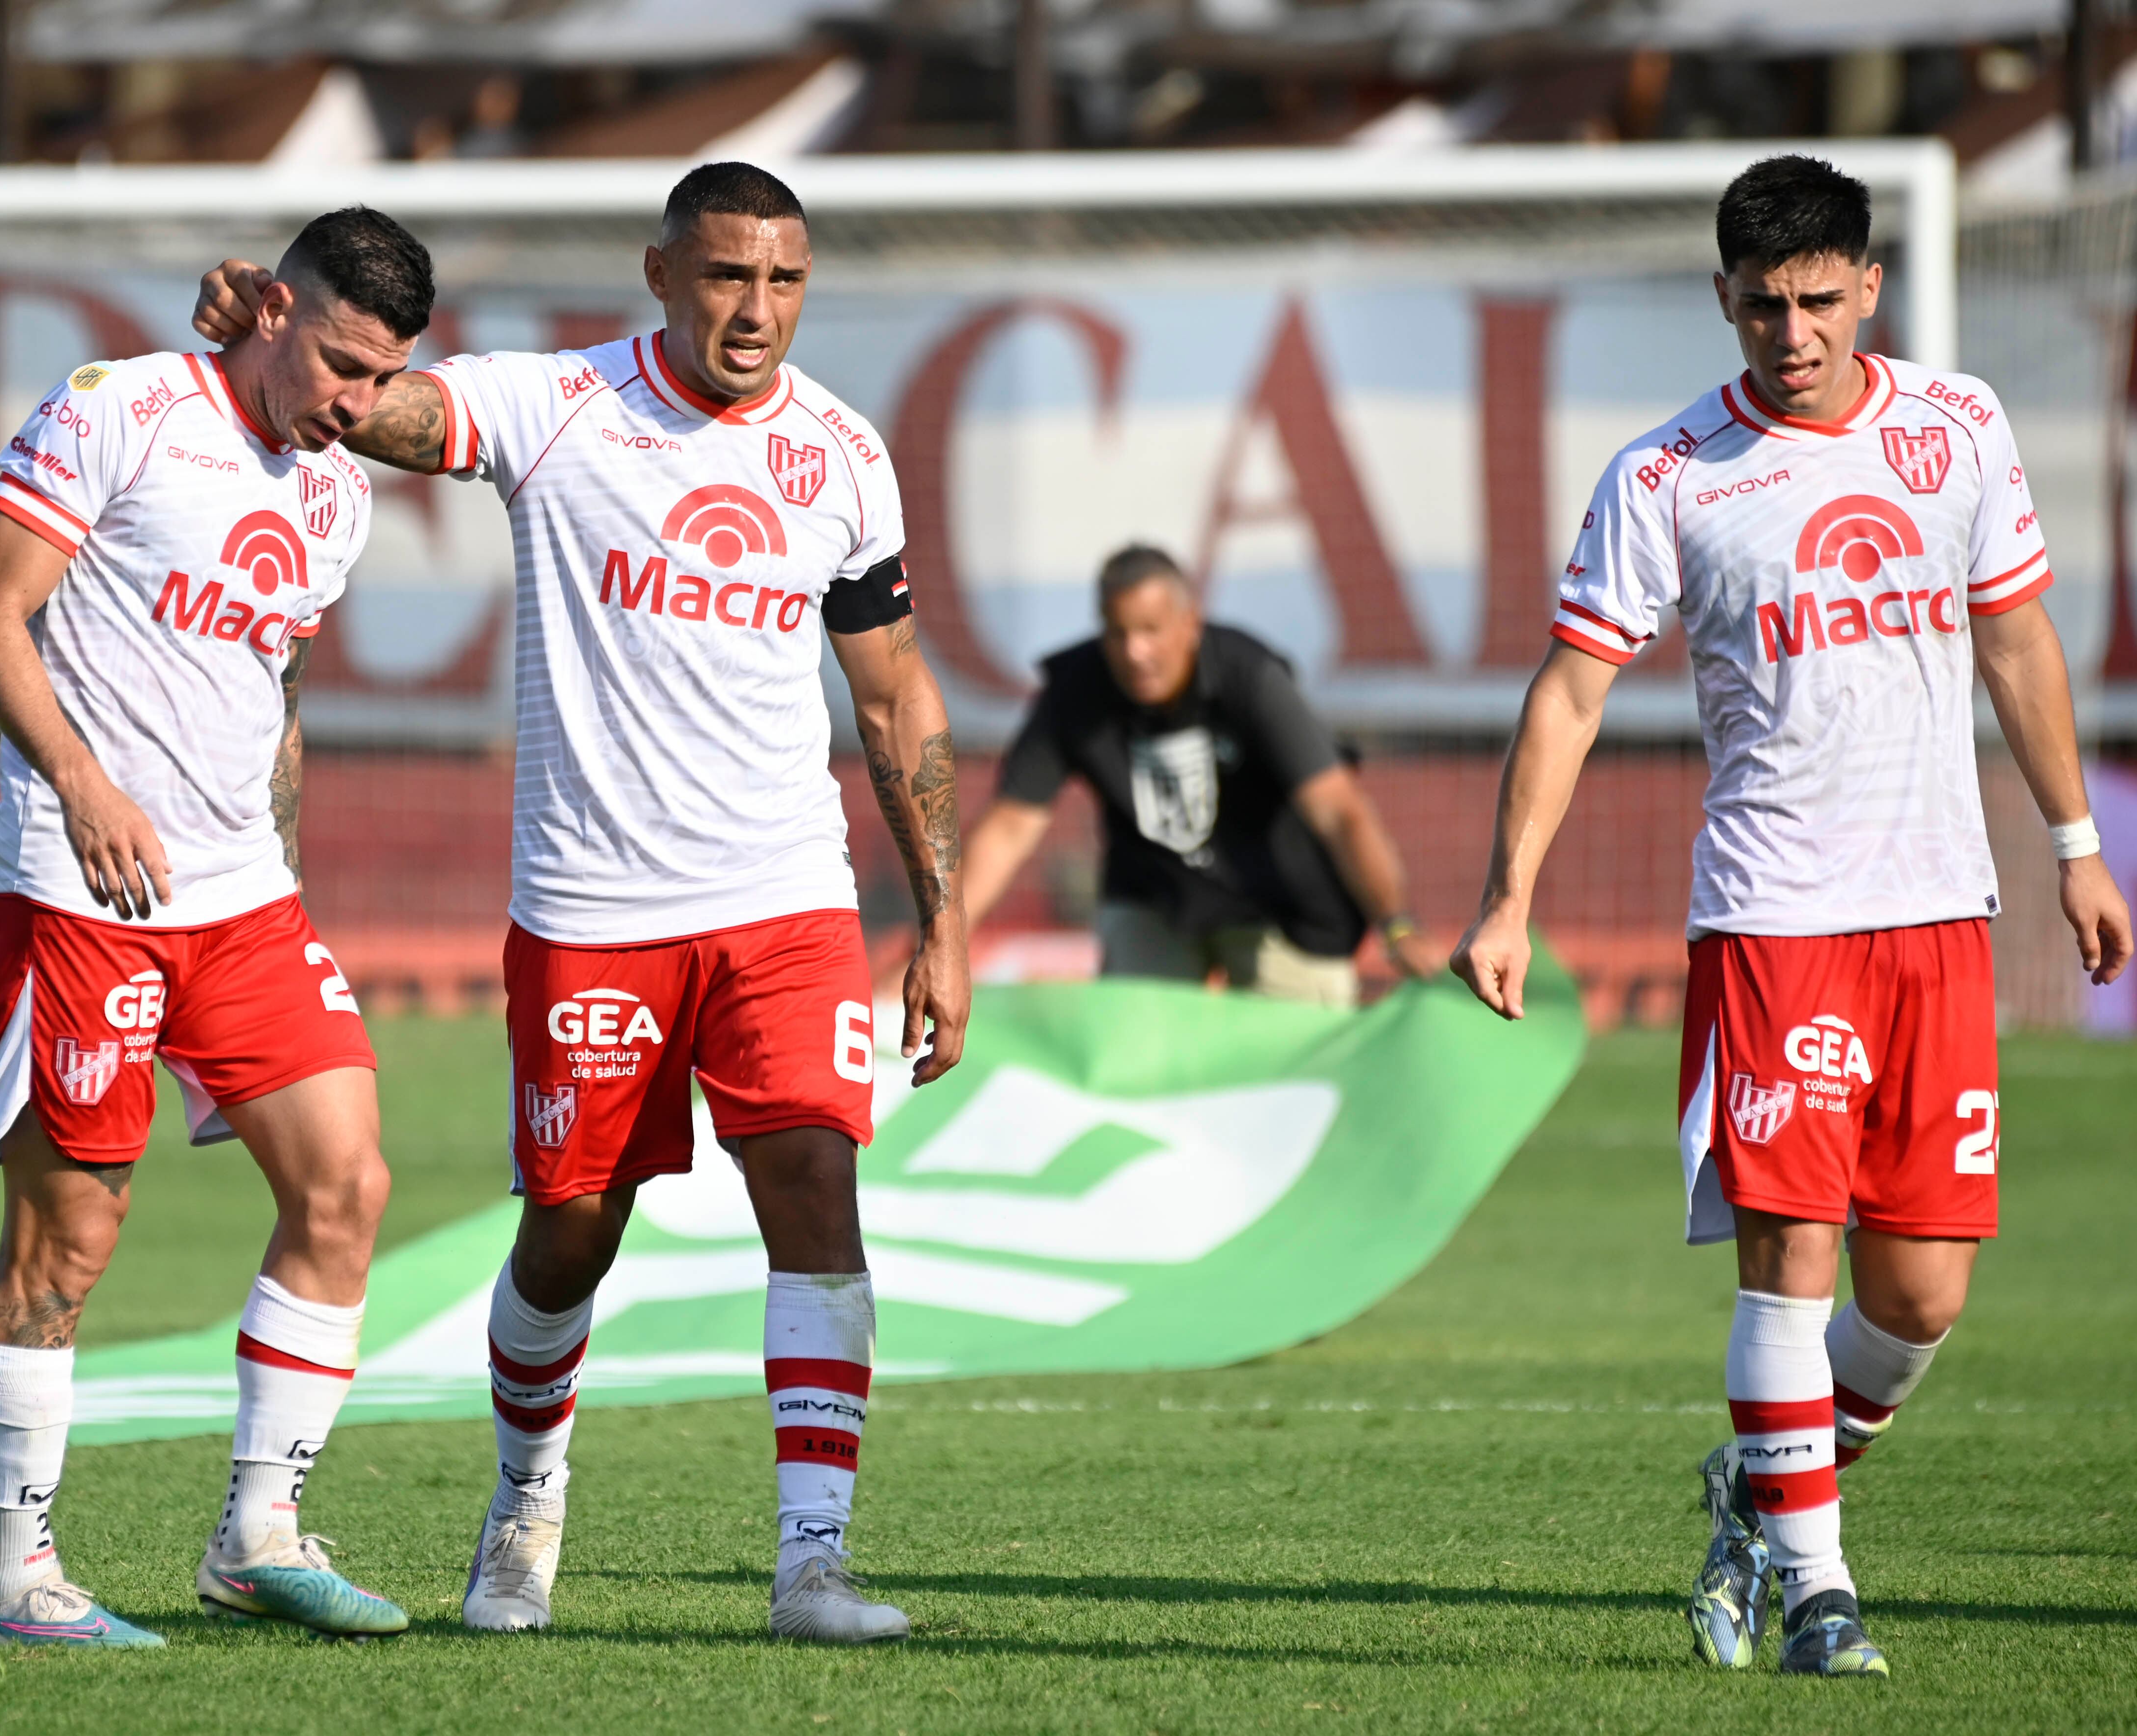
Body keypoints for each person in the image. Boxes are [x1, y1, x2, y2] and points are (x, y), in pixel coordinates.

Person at [191, 160, 969, 1644]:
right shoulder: (561, 408)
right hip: (593, 910)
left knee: (814, 1184)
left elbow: (896, 697)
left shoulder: (845, 458)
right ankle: (525, 1500)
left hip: (786, 899)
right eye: (729, 276)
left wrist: (941, 919)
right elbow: (389, 411)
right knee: (571, 1228)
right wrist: (263, 331)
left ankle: (812, 1564)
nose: (757, 311)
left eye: (786, 280)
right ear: (662, 273)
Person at [1449, 156, 2132, 1678]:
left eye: (1821, 298)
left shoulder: (1959, 433)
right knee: (1791, 1257)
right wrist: (1509, 899)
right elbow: (1571, 690)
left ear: (1868, 289)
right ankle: (1823, 1596)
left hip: (1943, 914)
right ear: (1725, 303)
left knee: (1923, 1294)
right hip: (1774, 921)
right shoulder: (1668, 474)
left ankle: (1764, 1479)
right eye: (1765, 304)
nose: (1794, 330)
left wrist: (2077, 847)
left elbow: (2017, 646)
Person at [0, 207, 436, 1648]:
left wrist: (279, 872)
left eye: (381, 378)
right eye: (341, 364)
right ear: (271, 310)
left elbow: (267, 693)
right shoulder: (121, 410)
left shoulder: (338, 495)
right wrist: (84, 783)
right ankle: (18, 1581)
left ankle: (257, 1535)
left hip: (240, 902)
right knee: (71, 1237)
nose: (356, 405)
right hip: (76, 886)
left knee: (347, 1185)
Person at [960, 544, 1438, 1006]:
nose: (1135, 651)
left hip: (1281, 905)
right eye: (1117, 632)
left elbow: (1339, 811)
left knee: (1297, 1064)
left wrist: (1396, 925)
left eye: (1151, 629)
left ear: (1190, 624)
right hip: (1157, 899)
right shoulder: (1076, 690)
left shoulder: (1248, 674)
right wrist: (944, 944)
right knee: (1132, 1055)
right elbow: (1009, 828)